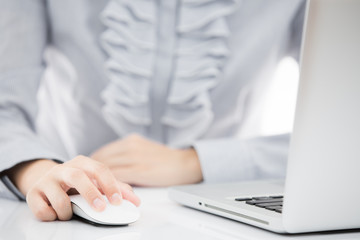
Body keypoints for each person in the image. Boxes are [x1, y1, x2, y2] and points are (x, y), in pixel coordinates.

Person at [0, 0, 305, 222]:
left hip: (227, 211)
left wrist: (196, 162)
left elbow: (346, 130)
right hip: (66, 211)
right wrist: (40, 171)